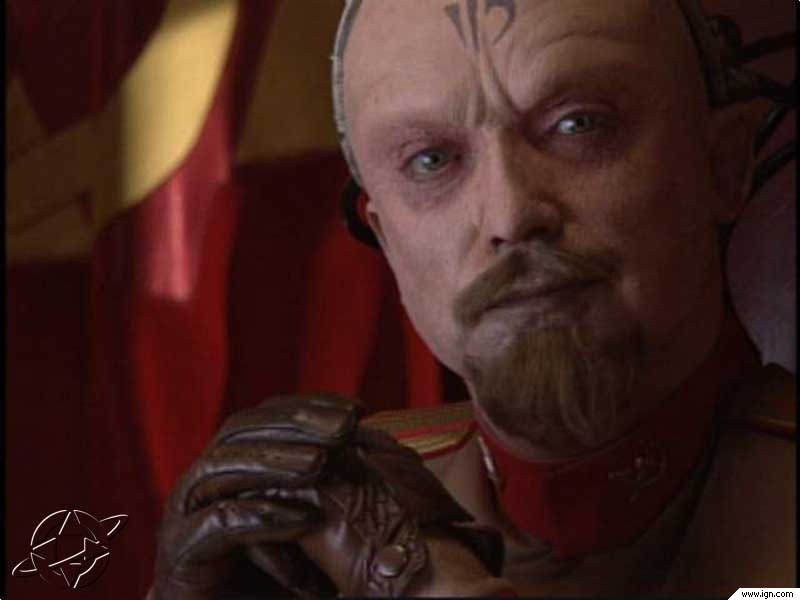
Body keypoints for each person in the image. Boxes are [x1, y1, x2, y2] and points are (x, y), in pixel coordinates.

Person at [151, 0, 796, 597]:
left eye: (578, 125)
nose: (510, 215)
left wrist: (430, 585)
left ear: (725, 164)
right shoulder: (322, 519)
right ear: (386, 239)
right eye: (431, 161)